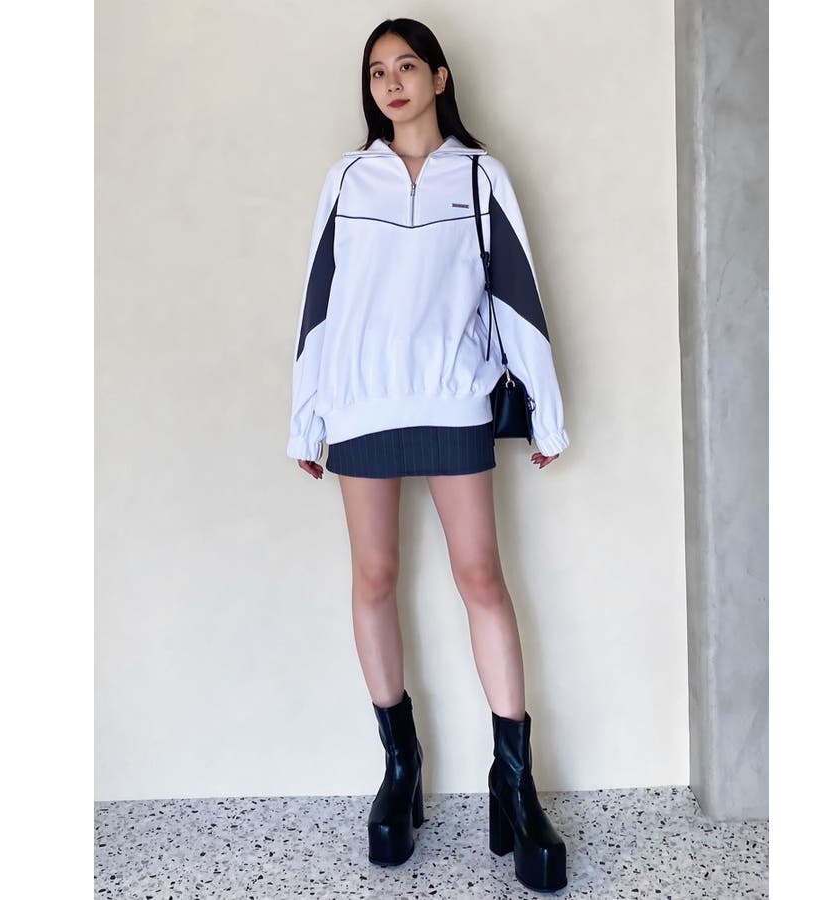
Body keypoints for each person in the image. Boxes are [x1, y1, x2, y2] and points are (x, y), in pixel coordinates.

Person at [286, 17, 569, 894]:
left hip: (452, 396)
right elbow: (320, 300)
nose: (392, 82)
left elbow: (516, 293)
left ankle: (516, 786)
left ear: (440, 78)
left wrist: (546, 411)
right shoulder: (348, 178)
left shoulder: (479, 176)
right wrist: (306, 417)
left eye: (407, 65)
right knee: (374, 578)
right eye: (378, 70)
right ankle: (400, 769)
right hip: (362, 403)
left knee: (481, 578)